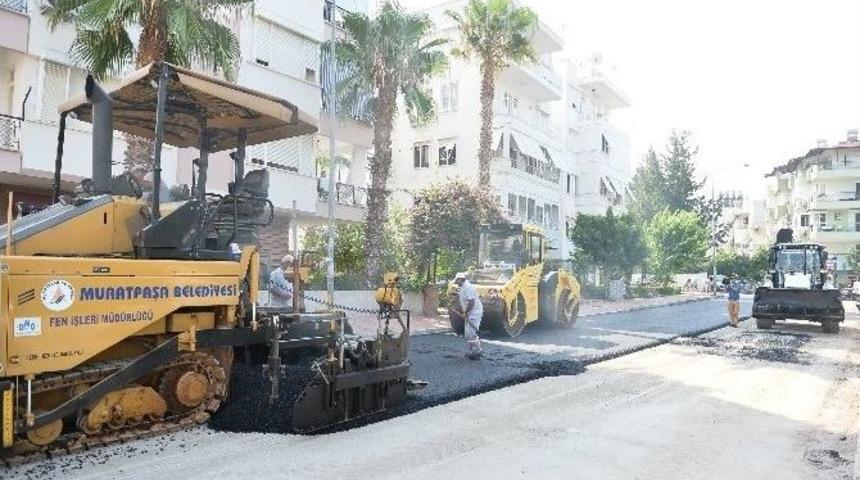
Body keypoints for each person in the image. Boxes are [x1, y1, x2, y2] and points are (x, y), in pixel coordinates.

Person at [452, 272, 483, 360]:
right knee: (468, 333)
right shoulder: (462, 287)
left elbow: (471, 302)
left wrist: (466, 312)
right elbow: (461, 298)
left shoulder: (469, 288)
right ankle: (474, 351)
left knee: (471, 333)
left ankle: (477, 352)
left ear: (461, 279)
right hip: (470, 312)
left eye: (457, 280)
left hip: (474, 312)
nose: (456, 282)